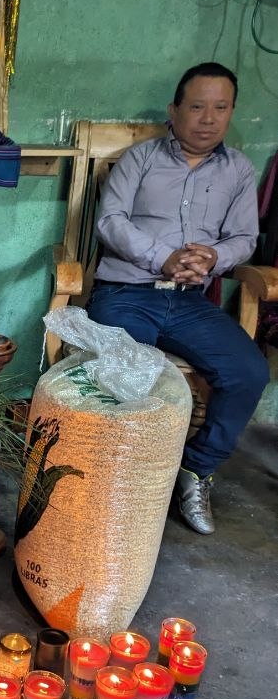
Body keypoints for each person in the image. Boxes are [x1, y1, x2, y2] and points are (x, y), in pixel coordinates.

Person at [86, 61, 267, 535]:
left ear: (231, 112)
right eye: (197, 106)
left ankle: (195, 470)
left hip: (189, 302)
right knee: (127, 373)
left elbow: (246, 237)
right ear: (175, 109)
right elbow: (111, 221)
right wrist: (164, 256)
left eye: (221, 107)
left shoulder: (239, 170)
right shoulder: (141, 159)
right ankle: (115, 484)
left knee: (248, 372)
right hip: (126, 292)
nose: (208, 118)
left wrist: (213, 257)